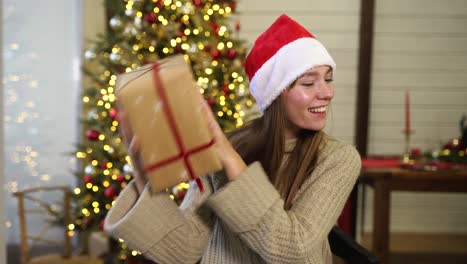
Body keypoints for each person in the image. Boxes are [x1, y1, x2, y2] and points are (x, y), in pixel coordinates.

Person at [104, 14, 361, 264]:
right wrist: (142, 177)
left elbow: (292, 249)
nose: (327, 93)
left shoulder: (338, 159)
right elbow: (184, 251)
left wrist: (229, 157)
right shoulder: (229, 147)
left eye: (328, 79)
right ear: (274, 95)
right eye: (309, 83)